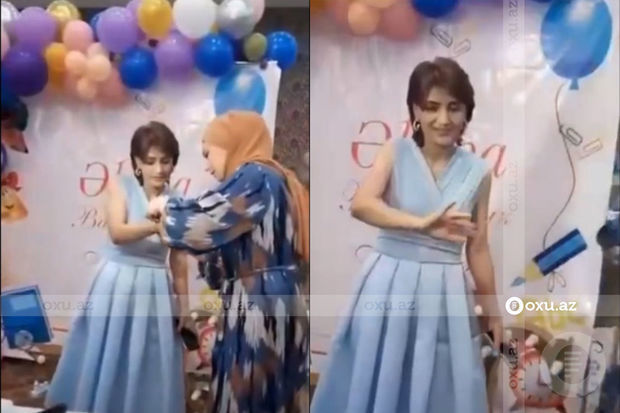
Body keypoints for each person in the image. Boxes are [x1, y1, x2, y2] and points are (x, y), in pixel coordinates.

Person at [311, 57, 502, 413]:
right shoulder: (396, 152)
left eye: (453, 107)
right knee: (379, 372)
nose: (443, 119)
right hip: (388, 283)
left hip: (445, 292)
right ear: (415, 110)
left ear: (466, 113)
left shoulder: (479, 172)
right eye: (431, 107)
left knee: (441, 383)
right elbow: (362, 204)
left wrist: (493, 311)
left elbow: (478, 247)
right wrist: (422, 224)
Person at [148, 111, 309, 413]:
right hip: (267, 298)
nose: (207, 165)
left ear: (231, 143)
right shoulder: (272, 178)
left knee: (247, 393)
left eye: (208, 153)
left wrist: (165, 208)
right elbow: (218, 250)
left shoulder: (256, 176)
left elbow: (202, 221)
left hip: (260, 304)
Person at [45, 122, 186, 413]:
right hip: (116, 283)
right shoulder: (120, 186)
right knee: (105, 350)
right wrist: (157, 226)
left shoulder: (179, 201)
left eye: (166, 161)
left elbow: (179, 258)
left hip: (155, 289)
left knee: (147, 359)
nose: (159, 169)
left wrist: (184, 305)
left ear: (174, 163)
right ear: (137, 162)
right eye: (150, 161)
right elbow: (117, 233)